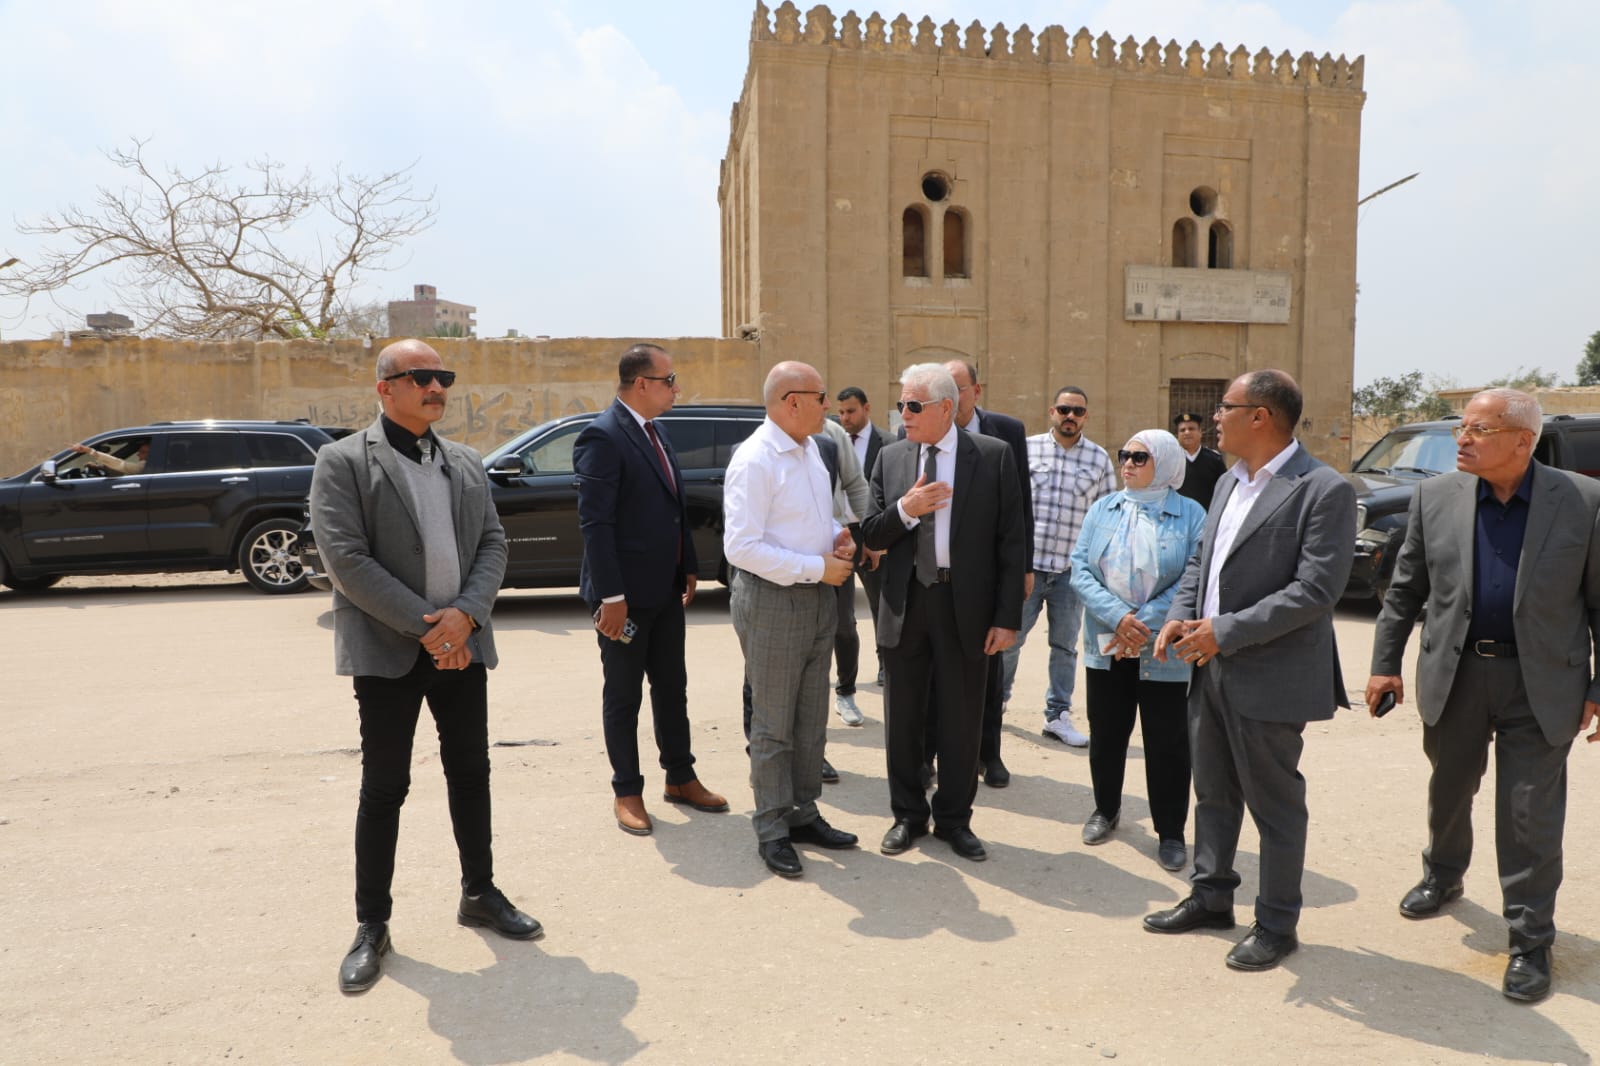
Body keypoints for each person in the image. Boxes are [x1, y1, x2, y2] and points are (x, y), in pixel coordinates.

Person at [310, 339, 541, 996]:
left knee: (471, 774)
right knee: (385, 787)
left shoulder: (463, 461)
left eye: (443, 376)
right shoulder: (343, 461)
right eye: (421, 377)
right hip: (390, 651)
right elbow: (347, 561)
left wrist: (466, 616)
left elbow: (492, 543)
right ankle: (372, 925)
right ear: (385, 388)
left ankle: (480, 893)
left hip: (463, 645)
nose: (436, 387)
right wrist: (432, 629)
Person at [1366, 387, 1600, 1003]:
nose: (1462, 439)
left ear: (1522, 441)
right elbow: (1405, 590)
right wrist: (1385, 665)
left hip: (1542, 682)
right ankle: (1443, 874)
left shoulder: (1582, 501)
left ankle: (1529, 938)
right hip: (1457, 674)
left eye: (1478, 429)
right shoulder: (1435, 497)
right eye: (1462, 428)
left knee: (1529, 813)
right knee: (1450, 786)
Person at [1143, 369, 1355, 973]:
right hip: (1209, 666)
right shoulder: (1226, 482)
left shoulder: (1323, 489)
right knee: (1213, 791)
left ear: (1260, 416)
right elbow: (1201, 565)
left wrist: (1224, 630)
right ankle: (1211, 896)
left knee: (1274, 804)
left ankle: (1277, 922)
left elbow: (1315, 591)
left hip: (1271, 673)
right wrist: (1180, 617)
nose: (1214, 417)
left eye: (1225, 406)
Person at [861, 363, 1026, 862]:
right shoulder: (890, 457)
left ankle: (954, 820)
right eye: (901, 405)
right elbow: (871, 532)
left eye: (913, 406)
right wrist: (907, 509)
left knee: (962, 719)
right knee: (903, 719)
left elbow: (1011, 542)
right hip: (906, 603)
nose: (903, 414)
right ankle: (908, 816)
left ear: (946, 408)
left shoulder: (992, 456)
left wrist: (1007, 618)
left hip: (966, 605)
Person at [574, 343, 728, 837]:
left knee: (671, 687)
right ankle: (627, 791)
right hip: (624, 599)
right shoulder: (603, 436)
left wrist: (689, 565)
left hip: (665, 589)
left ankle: (680, 777)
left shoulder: (656, 432)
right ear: (641, 384)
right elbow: (596, 524)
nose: (676, 389)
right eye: (669, 380)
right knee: (624, 696)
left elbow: (674, 508)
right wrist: (611, 598)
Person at [724, 361, 860, 878]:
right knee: (774, 723)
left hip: (816, 596)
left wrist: (836, 535)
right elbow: (741, 547)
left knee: (809, 717)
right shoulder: (755, 460)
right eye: (821, 397)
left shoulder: (812, 452)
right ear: (792, 401)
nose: (829, 406)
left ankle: (803, 812)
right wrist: (817, 567)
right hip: (774, 601)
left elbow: (808, 518)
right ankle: (772, 826)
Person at [1069, 430, 1205, 872]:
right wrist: (1119, 618)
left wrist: (1142, 624)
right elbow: (1080, 569)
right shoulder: (1103, 509)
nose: (1127, 463)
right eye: (1124, 454)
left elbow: (1193, 579)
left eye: (1139, 457)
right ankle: (1105, 810)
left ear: (1164, 463)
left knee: (1167, 741)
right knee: (1107, 731)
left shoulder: (1191, 515)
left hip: (1164, 647)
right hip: (1108, 641)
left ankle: (1171, 832)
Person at [932, 359, 1035, 786]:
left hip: (987, 573)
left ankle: (988, 753)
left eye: (957, 388)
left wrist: (1023, 567)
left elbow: (1021, 504)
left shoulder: (1006, 431)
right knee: (935, 673)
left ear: (976, 391)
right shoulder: (919, 430)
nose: (950, 397)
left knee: (989, 668)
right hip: (938, 575)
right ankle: (934, 755)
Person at [1000, 386, 1117, 749]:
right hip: (1028, 568)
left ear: (1086, 417)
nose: (1070, 416)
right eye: (1064, 409)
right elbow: (1010, 503)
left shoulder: (1098, 459)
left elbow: (1107, 517)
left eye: (1077, 411)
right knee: (1009, 640)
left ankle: (1057, 715)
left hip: (1070, 572)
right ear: (1052, 411)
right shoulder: (1027, 449)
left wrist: (1097, 569)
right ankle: (995, 704)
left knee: (1065, 646)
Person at [816, 414, 872, 728]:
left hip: (836, 543)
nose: (825, 405)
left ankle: (846, 692)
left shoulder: (832, 433)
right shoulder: (771, 439)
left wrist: (872, 537)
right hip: (794, 553)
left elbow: (856, 485)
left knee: (844, 625)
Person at [836, 386, 892, 690]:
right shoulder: (830, 442)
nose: (845, 418)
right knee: (841, 615)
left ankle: (886, 665)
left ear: (867, 408)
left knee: (882, 605)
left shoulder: (889, 444)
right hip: (839, 535)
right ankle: (846, 677)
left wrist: (878, 538)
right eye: (841, 412)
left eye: (851, 411)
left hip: (872, 534)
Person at [1173, 411, 1226, 507]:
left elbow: (1223, 490)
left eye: (1191, 428)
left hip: (1207, 514)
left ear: (1200, 432)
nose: (1187, 432)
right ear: (1177, 435)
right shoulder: (1171, 460)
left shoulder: (1214, 460)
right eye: (1182, 430)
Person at [68, 440, 149, 475]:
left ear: (151, 454)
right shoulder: (148, 467)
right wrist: (99, 467)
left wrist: (90, 451)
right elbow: (121, 472)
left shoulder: (145, 465)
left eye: (143, 452)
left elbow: (120, 464)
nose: (138, 455)